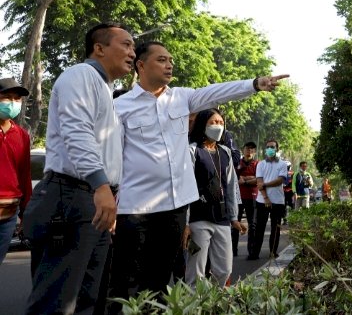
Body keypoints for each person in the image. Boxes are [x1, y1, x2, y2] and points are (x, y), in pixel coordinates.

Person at [109, 41, 287, 310]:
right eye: (161, 59)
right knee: (129, 280)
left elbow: (218, 92)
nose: (169, 64)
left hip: (174, 208)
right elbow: (111, 157)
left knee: (162, 280)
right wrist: (108, 197)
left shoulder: (181, 98)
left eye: (170, 59)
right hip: (134, 209)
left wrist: (253, 84)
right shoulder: (120, 107)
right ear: (141, 65)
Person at [23, 23, 135, 315]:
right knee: (57, 303)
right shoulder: (81, 75)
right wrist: (101, 188)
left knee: (85, 300)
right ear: (99, 48)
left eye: (133, 47)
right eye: (125, 44)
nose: (132, 53)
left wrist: (109, 195)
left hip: (91, 201)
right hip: (72, 197)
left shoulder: (105, 90)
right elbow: (78, 133)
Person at [183, 109, 246, 286]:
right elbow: (185, 188)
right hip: (198, 219)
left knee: (224, 269)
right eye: (213, 122)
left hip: (222, 219)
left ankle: (213, 303)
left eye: (220, 122)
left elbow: (231, 186)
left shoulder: (225, 152)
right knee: (196, 271)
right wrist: (186, 223)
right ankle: (193, 308)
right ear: (203, 124)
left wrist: (234, 217)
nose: (218, 126)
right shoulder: (192, 151)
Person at [0, 78, 31, 265]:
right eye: (6, 97)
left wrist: (26, 214)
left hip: (8, 216)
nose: (12, 102)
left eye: (16, 98)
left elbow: (25, 175)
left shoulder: (22, 135)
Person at [249, 140, 286, 260]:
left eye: (273, 147)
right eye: (268, 147)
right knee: (259, 228)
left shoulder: (282, 164)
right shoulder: (261, 164)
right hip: (262, 200)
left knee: (276, 228)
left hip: (278, 200)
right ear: (265, 149)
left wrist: (265, 184)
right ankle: (255, 253)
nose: (270, 149)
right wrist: (265, 197)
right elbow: (259, 182)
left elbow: (280, 180)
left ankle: (273, 252)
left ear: (277, 149)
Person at [232, 141, 258, 258]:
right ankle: (233, 250)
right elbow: (233, 178)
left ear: (255, 152)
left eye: (252, 149)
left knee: (252, 225)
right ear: (243, 150)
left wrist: (245, 180)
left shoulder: (258, 164)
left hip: (252, 196)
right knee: (235, 223)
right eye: (247, 148)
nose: (249, 151)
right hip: (238, 197)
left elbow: (259, 179)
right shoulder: (237, 163)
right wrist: (250, 178)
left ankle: (251, 252)